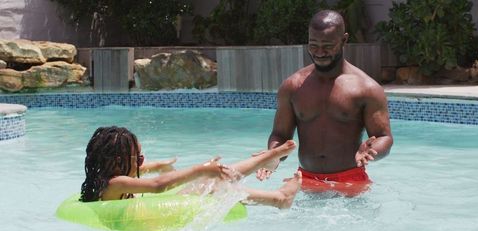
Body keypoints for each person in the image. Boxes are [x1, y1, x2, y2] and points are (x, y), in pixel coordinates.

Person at [256, 10, 393, 197]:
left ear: (344, 40)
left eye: (327, 46)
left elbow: (384, 137)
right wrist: (273, 156)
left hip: (351, 181)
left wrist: (371, 151)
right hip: (306, 179)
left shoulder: (366, 88)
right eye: (313, 45)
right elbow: (280, 134)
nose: (319, 53)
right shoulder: (293, 86)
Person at [80, 126, 302, 209]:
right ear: (118, 163)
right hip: (144, 220)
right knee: (212, 185)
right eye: (138, 159)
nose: (141, 164)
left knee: (212, 180)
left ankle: (268, 159)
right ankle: (279, 199)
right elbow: (157, 186)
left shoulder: (106, 179)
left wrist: (157, 165)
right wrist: (200, 169)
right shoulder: (116, 183)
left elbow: (147, 172)